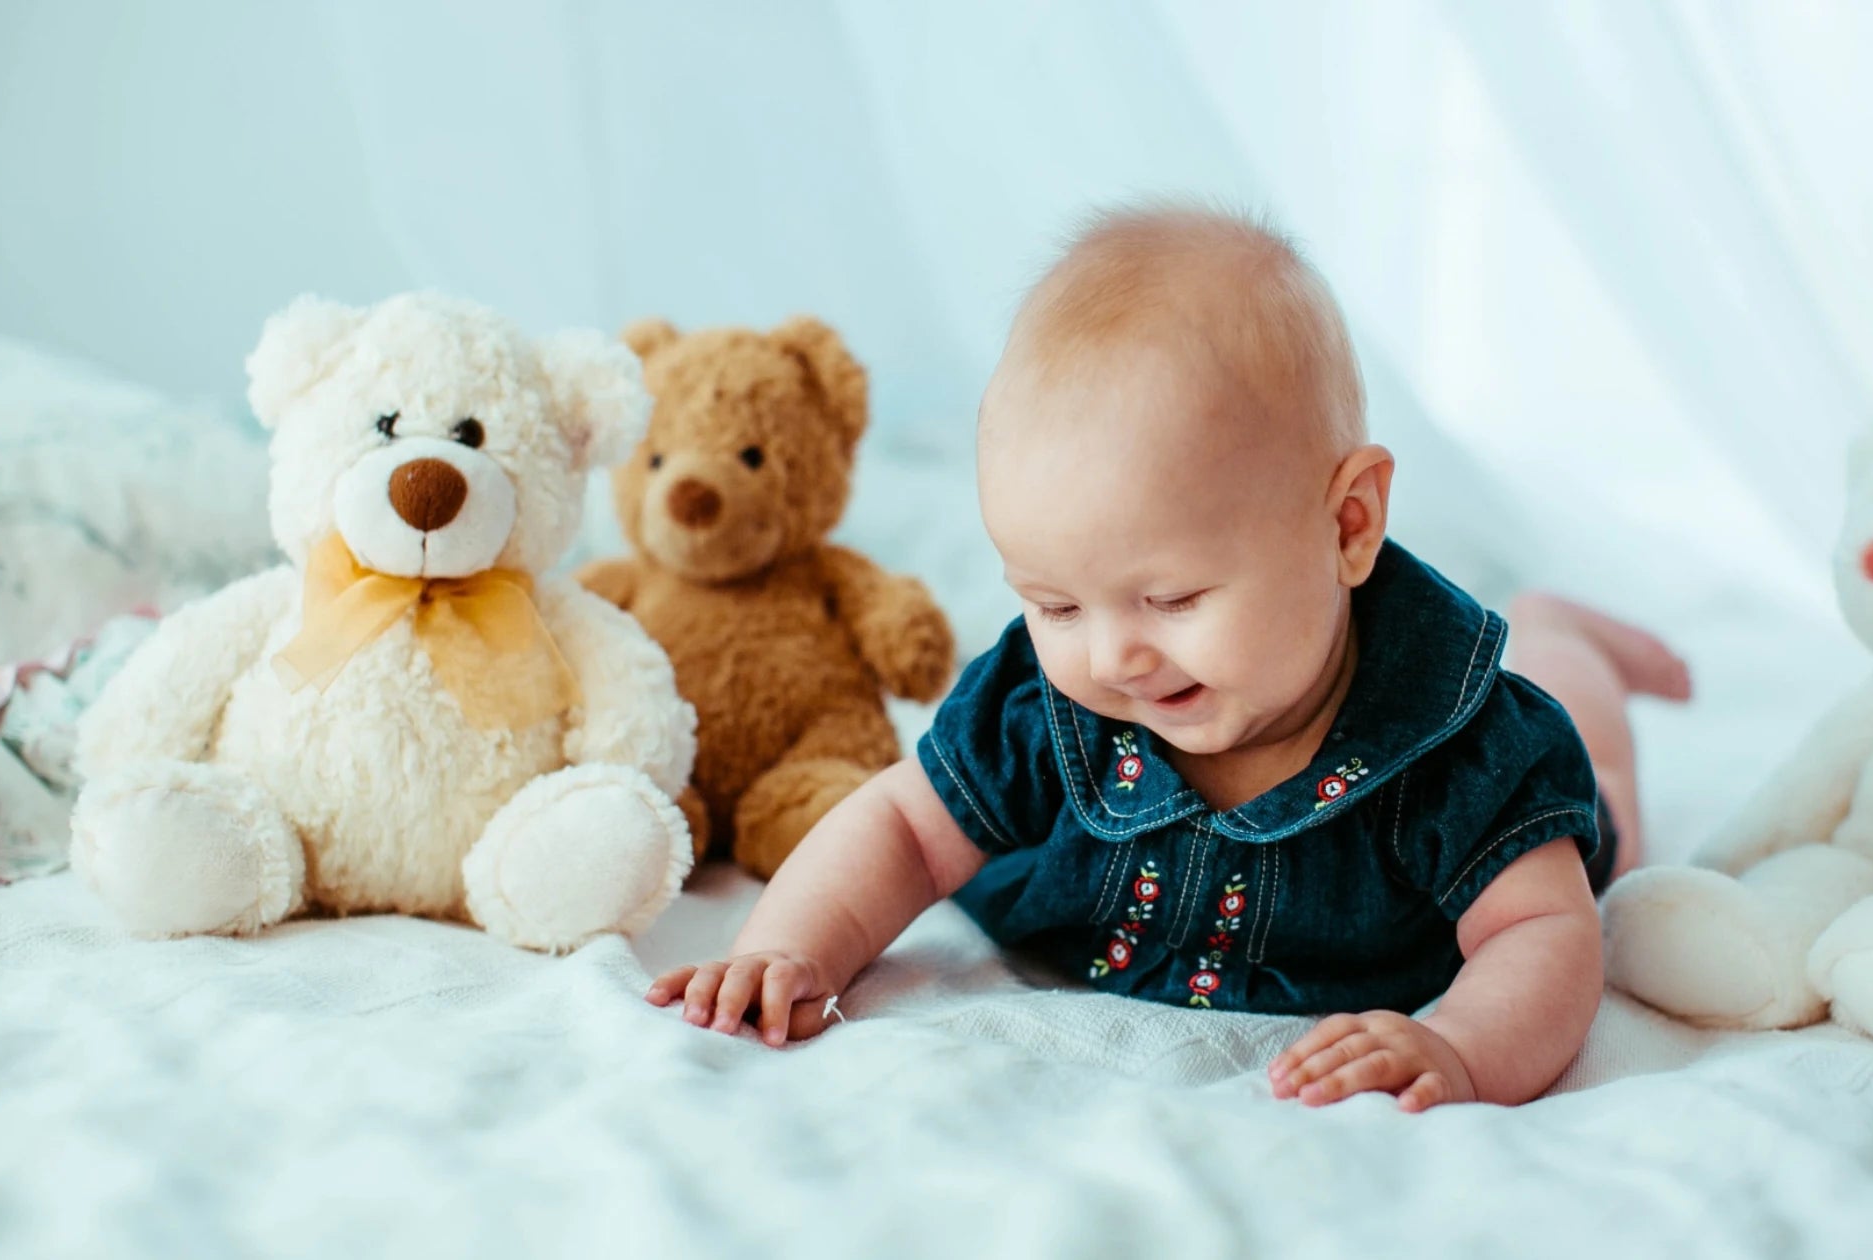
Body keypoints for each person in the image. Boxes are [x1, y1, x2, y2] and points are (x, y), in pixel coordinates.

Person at [646, 205, 1689, 1109]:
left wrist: (1459, 1048)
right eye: (1054, 604)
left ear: (1347, 523)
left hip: (1480, 822)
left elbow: (1539, 937)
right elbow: (905, 829)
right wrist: (784, 952)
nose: (1114, 656)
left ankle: (1563, 638)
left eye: (1172, 598)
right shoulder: (1037, 710)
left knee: (1602, 809)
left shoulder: (1463, 746)